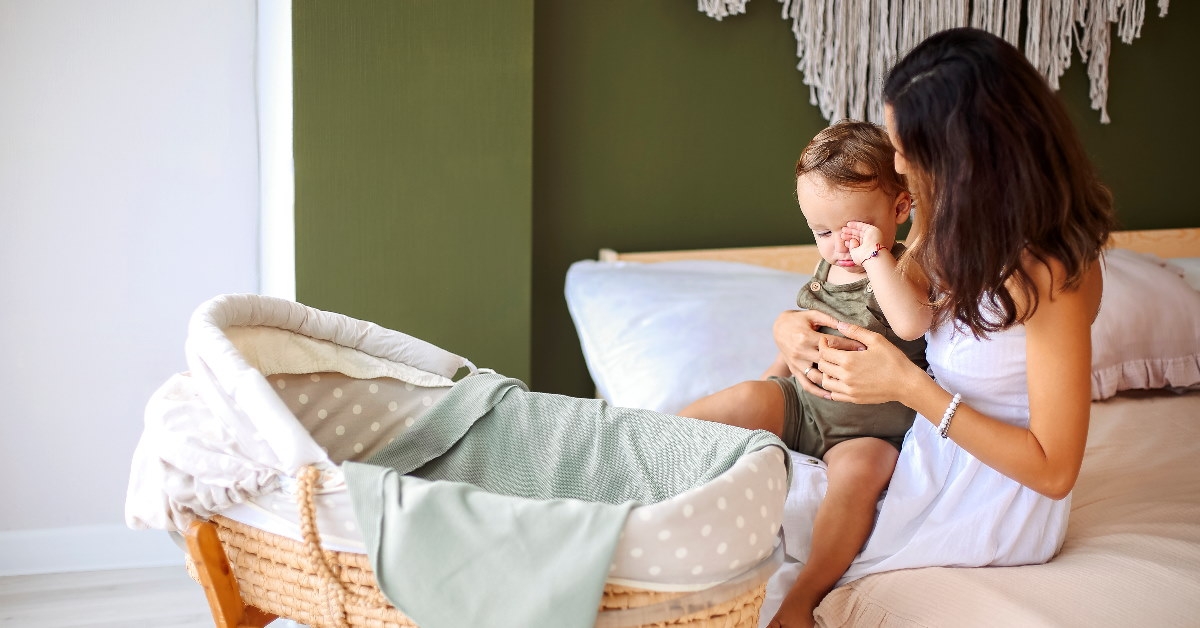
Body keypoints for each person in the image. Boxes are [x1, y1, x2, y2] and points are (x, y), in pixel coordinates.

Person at [762, 27, 1114, 628]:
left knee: (798, 535)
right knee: (750, 485)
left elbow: (1054, 472)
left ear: (963, 157)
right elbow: (872, 303)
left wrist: (908, 386)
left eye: (907, 150)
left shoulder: (1053, 273)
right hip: (928, 455)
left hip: (997, 499)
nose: (897, 165)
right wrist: (788, 327)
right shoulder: (947, 223)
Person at [678, 119, 932, 624]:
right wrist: (770, 382)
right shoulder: (830, 265)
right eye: (822, 232)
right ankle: (642, 455)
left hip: (868, 429)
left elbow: (911, 322)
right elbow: (805, 340)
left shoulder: (904, 268)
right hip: (803, 404)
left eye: (854, 230)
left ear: (900, 209)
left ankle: (804, 594)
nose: (840, 246)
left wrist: (875, 254)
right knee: (737, 401)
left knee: (860, 477)